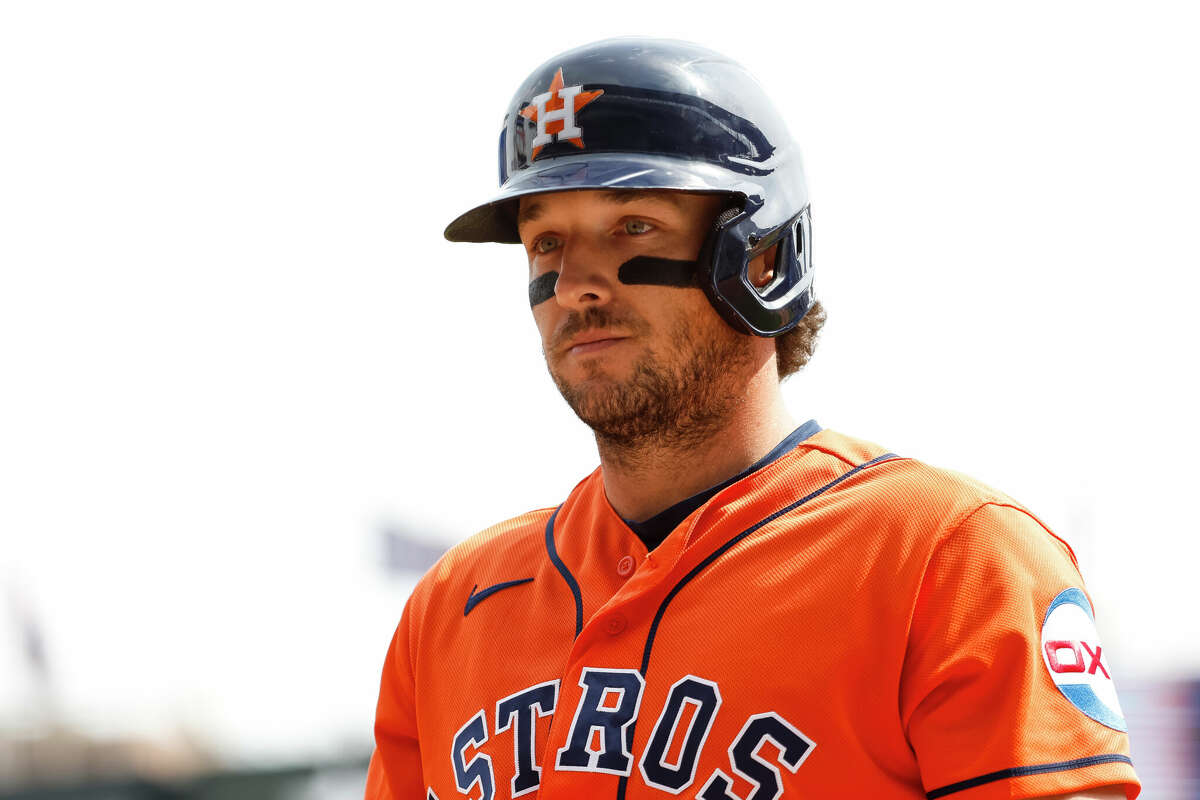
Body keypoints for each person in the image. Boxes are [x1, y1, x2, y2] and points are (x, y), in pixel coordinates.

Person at [366, 38, 1139, 800]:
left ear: (762, 256)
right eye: (546, 243)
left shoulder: (950, 556)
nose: (574, 285)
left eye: (633, 225)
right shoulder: (452, 606)